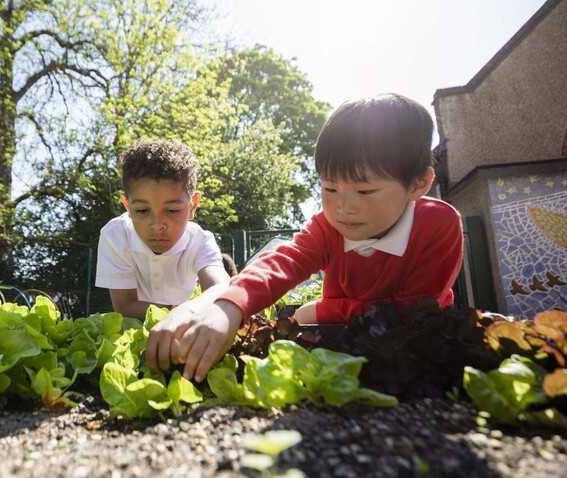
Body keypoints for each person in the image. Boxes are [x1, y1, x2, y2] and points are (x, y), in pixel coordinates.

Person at [145, 93, 464, 382]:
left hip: (417, 356)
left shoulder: (439, 226)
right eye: (329, 188)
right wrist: (227, 308)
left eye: (365, 191)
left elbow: (409, 314)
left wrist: (323, 311)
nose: (343, 208)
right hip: (342, 350)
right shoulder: (328, 227)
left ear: (418, 184)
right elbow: (281, 264)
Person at [95, 138, 230, 320]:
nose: (157, 224)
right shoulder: (115, 235)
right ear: (127, 206)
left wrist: (183, 313)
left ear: (193, 205)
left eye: (172, 210)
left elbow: (220, 287)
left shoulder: (200, 241)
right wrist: (179, 312)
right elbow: (125, 307)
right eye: (142, 210)